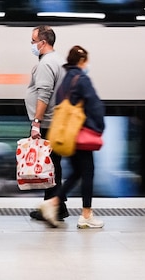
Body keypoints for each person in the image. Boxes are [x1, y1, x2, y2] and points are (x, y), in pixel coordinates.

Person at [38, 46, 106, 228]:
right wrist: (98, 127)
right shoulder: (82, 79)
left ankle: (53, 202)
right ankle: (86, 215)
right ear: (82, 61)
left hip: (68, 134)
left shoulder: (66, 79)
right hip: (82, 133)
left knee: (77, 172)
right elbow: (94, 106)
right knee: (88, 172)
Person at [25, 25, 68, 223]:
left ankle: (55, 207)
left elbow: (44, 94)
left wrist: (36, 122)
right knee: (53, 165)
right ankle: (55, 206)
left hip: (47, 123)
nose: (32, 45)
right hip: (57, 121)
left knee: (49, 166)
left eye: (33, 42)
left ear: (43, 43)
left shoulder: (46, 63)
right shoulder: (60, 60)